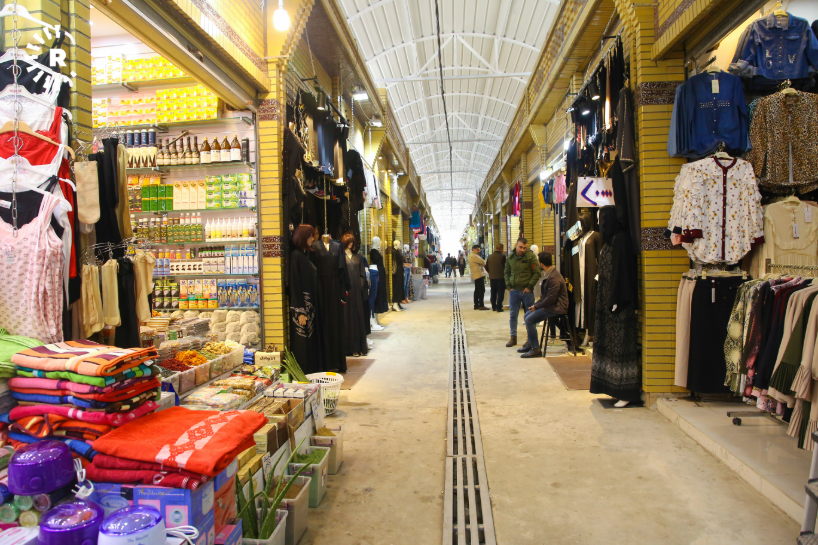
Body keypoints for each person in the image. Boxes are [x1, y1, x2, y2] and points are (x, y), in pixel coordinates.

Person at [520, 251, 568, 358]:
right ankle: (530, 343)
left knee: (529, 320)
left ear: (541, 264)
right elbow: (545, 297)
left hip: (556, 307)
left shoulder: (554, 277)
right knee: (527, 315)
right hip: (551, 306)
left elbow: (551, 298)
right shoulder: (550, 274)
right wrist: (535, 306)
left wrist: (537, 306)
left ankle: (536, 349)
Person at [503, 237, 539, 347]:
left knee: (529, 316)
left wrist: (530, 286)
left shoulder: (530, 256)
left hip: (527, 292)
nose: (522, 249)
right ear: (515, 245)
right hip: (514, 291)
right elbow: (506, 272)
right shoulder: (510, 257)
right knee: (513, 315)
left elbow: (537, 273)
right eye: (520, 247)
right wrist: (509, 286)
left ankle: (530, 339)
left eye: (524, 248)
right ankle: (513, 337)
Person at [486, 244, 506, 312]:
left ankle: (494, 307)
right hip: (500, 277)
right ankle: (499, 307)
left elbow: (486, 267)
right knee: (500, 293)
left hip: (492, 277)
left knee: (493, 292)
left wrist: (491, 272)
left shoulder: (490, 256)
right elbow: (505, 267)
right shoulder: (502, 256)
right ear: (502, 249)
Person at [468, 245, 489, 310]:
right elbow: (483, 262)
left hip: (476, 274)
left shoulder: (473, 255)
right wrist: (482, 263)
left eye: (479, 249)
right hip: (478, 274)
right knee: (481, 290)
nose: (479, 251)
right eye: (478, 249)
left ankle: (476, 304)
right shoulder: (474, 256)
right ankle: (481, 305)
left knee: (477, 290)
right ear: (474, 249)